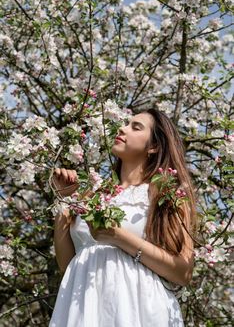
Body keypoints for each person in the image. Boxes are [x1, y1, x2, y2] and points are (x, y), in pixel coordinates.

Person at [49, 108, 197, 327]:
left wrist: (119, 237)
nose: (122, 128)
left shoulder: (165, 196)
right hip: (83, 306)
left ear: (154, 146)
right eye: (126, 123)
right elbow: (67, 264)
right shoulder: (92, 194)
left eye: (135, 127)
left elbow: (183, 272)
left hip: (139, 309)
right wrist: (66, 200)